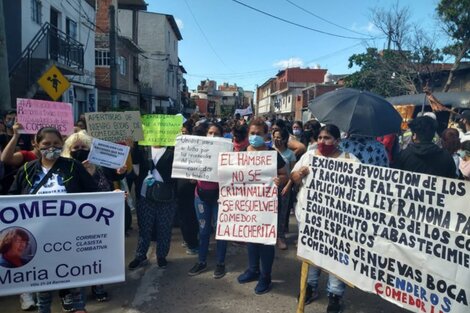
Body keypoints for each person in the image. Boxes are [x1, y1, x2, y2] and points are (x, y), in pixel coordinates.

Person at [9, 127, 98, 313]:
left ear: (62, 144)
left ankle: (79, 308)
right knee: (42, 282)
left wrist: (113, 196)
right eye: (46, 144)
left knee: (75, 278)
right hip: (38, 238)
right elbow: (11, 202)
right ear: (36, 144)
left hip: (71, 235)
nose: (52, 148)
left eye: (56, 144)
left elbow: (94, 193)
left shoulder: (74, 166)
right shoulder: (26, 170)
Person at [291, 124, 359, 313]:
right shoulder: (309, 156)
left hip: (337, 221)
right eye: (320, 138)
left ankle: (335, 295)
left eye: (327, 138)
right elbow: (294, 176)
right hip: (309, 218)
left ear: (337, 141)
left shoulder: (350, 160)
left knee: (337, 256)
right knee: (312, 254)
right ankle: (310, 288)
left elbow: (360, 188)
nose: (322, 141)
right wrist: (299, 174)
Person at [62, 130, 127, 302]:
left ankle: (98, 284)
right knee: (72, 256)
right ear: (69, 150)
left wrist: (119, 179)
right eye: (76, 147)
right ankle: (69, 291)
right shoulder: (64, 168)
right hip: (73, 222)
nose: (80, 149)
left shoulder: (100, 166)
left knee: (97, 253)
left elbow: (113, 179)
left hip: (98, 221)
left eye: (84, 146)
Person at [237, 118, 287, 294]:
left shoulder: (272, 154)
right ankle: (253, 270)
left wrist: (280, 179)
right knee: (251, 238)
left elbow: (284, 175)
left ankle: (266, 276)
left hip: (268, 204)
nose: (255, 136)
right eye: (252, 133)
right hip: (249, 203)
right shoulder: (243, 152)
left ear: (266, 134)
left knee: (266, 241)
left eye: (259, 133)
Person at [188, 124, 228, 279]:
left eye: (216, 133)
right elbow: (190, 171)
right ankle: (201, 261)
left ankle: (220, 263)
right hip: (201, 196)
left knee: (221, 231)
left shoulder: (227, 152)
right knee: (203, 231)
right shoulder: (198, 151)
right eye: (210, 133)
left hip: (220, 197)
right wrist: (191, 177)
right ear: (205, 135)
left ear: (222, 136)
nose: (213, 136)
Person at [128, 142, 176, 270]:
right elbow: (135, 171)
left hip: (167, 197)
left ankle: (161, 256)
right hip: (145, 196)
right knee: (144, 227)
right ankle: (140, 255)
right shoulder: (141, 150)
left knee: (164, 227)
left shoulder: (173, 150)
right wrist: (132, 147)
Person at [176, 122, 199, 255]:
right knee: (184, 216)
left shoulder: (195, 147)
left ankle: (193, 240)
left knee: (192, 216)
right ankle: (189, 241)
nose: (182, 135)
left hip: (193, 187)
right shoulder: (172, 148)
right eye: (180, 133)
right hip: (179, 187)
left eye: (184, 132)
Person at [272, 127, 296, 250]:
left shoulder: (290, 154)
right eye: (274, 137)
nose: (276, 139)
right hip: (269, 186)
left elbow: (292, 173)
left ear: (285, 139)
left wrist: (288, 186)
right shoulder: (269, 151)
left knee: (282, 213)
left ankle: (280, 237)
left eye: (279, 137)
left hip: (284, 186)